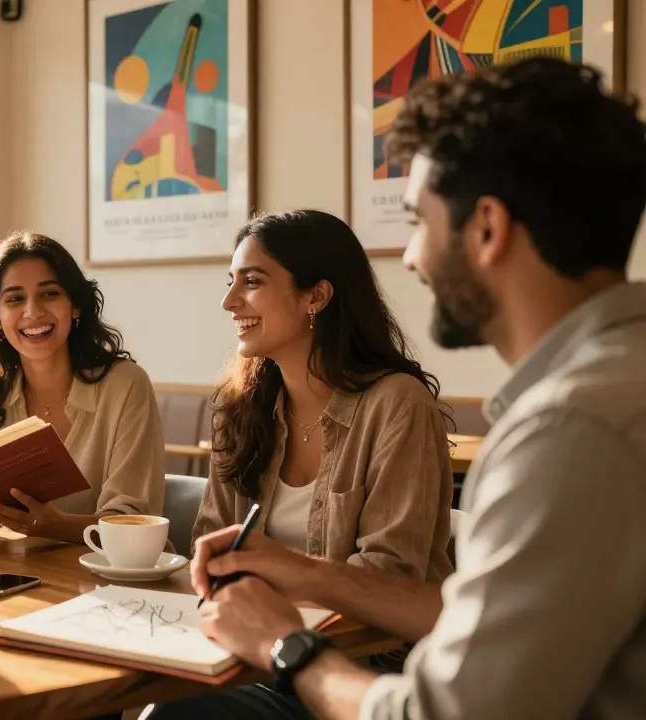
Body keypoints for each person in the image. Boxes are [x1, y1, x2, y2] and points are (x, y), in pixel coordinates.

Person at [175, 58, 646, 720]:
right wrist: (299, 572)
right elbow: (474, 615)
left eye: (418, 221)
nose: (410, 257)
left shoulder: (568, 430)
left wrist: (286, 646)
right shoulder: (614, 384)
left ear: (486, 228)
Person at [195, 210, 453, 580]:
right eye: (231, 281)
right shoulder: (237, 405)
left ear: (316, 296)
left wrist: (276, 582)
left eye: (251, 281)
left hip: (367, 636)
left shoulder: (398, 406)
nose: (228, 302)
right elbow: (210, 541)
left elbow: (389, 574)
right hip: (250, 626)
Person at [0, 230, 165, 544]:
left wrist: (55, 526)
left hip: (106, 581)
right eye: (14, 299)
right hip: (5, 574)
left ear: (75, 305)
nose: (33, 312)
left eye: (49, 293)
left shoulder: (126, 386)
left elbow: (134, 522)